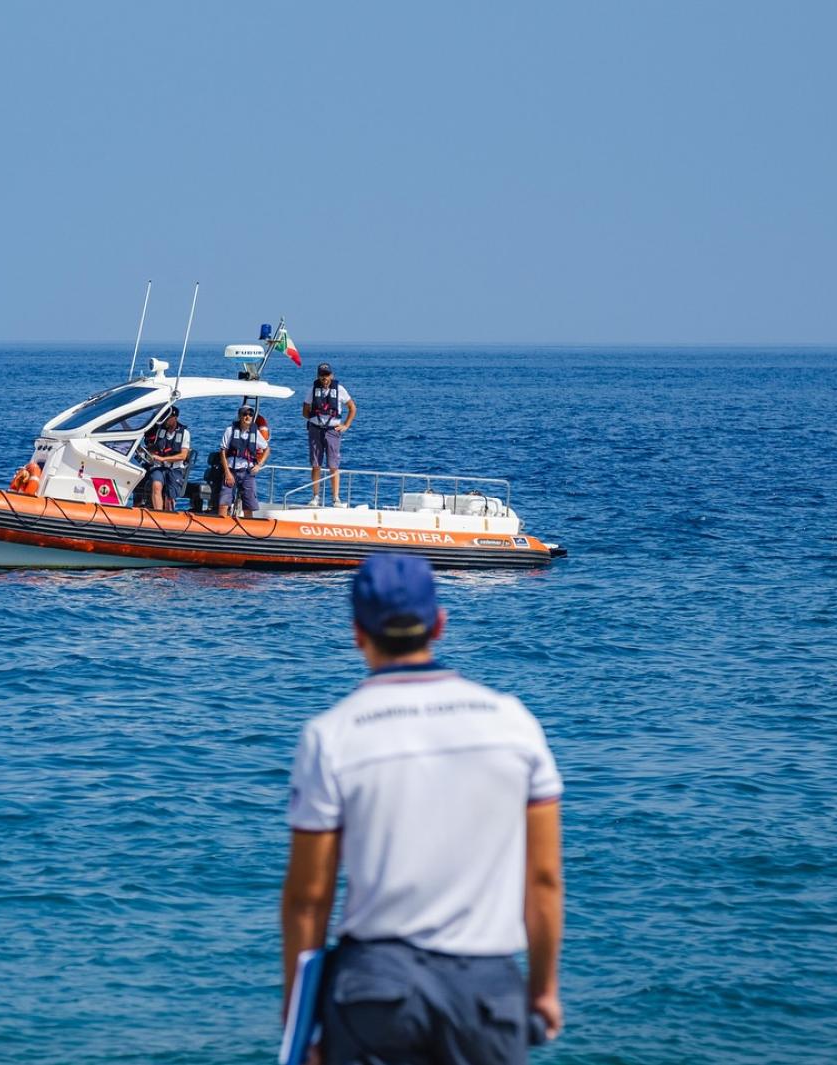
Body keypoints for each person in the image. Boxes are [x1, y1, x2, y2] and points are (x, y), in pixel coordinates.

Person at [281, 553, 563, 1065]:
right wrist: (542, 989)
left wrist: (299, 1021)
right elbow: (543, 880)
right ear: (439, 624)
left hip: (374, 990)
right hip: (485, 992)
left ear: (357, 633)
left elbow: (308, 899)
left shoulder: (332, 736)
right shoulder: (513, 724)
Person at [301, 362, 356, 507]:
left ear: (331, 375)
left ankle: (336, 498)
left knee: (333, 465)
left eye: (327, 375)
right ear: (318, 376)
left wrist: (346, 425)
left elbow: (352, 407)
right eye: (322, 375)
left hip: (333, 431)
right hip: (315, 430)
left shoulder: (340, 390)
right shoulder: (313, 389)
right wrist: (314, 419)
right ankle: (315, 496)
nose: (324, 378)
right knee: (316, 464)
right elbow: (305, 410)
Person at [218, 404, 269, 518]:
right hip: (231, 471)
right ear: (240, 416)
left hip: (247, 472)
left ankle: (247, 526)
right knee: (224, 503)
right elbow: (222, 451)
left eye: (250, 414)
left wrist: (259, 465)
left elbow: (267, 449)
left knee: (248, 505)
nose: (248, 417)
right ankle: (221, 523)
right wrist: (227, 473)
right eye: (245, 414)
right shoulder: (230, 430)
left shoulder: (255, 433)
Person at [141, 407, 191, 510]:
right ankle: (158, 512)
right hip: (159, 467)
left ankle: (169, 513)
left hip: (175, 469)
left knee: (170, 496)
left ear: (175, 418)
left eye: (168, 418)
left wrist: (163, 459)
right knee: (156, 485)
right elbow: (156, 447)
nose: (165, 421)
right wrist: (145, 451)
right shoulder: (161, 431)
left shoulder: (185, 434)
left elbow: (183, 455)